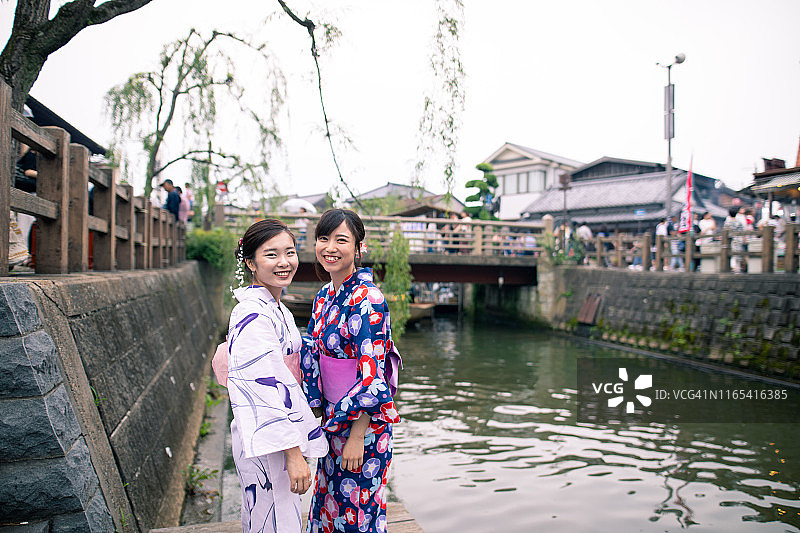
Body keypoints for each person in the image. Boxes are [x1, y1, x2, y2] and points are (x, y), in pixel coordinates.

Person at [223, 219, 329, 533]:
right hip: (269, 436)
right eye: (271, 255)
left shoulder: (276, 307)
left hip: (274, 433)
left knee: (274, 516)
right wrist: (294, 454)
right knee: (273, 520)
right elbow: (264, 388)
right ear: (251, 263)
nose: (284, 262)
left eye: (290, 253)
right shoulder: (252, 312)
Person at [300, 208, 401, 533]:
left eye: (341, 240)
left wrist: (357, 436)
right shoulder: (324, 297)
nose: (330, 247)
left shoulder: (368, 300)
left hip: (363, 429)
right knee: (329, 509)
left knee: (358, 515)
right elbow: (316, 356)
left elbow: (373, 374)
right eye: (323, 238)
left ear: (358, 247)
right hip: (333, 421)